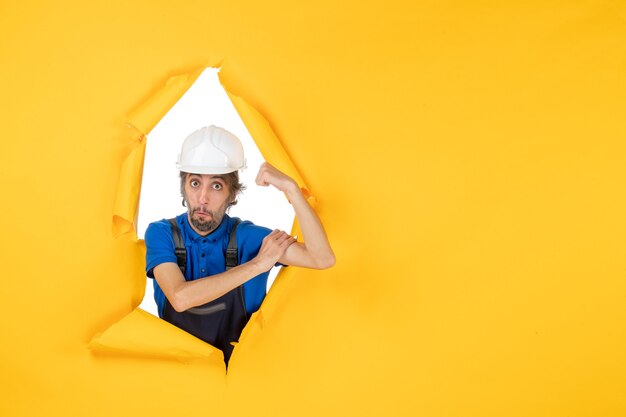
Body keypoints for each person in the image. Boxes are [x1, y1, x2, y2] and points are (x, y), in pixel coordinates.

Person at [145, 126, 335, 365]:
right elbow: (180, 298)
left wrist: (292, 190)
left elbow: (322, 258)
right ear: (183, 186)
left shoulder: (249, 237)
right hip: (177, 376)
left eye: (216, 186)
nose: (203, 198)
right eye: (195, 183)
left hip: (242, 379)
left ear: (232, 194)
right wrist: (257, 265)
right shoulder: (162, 233)